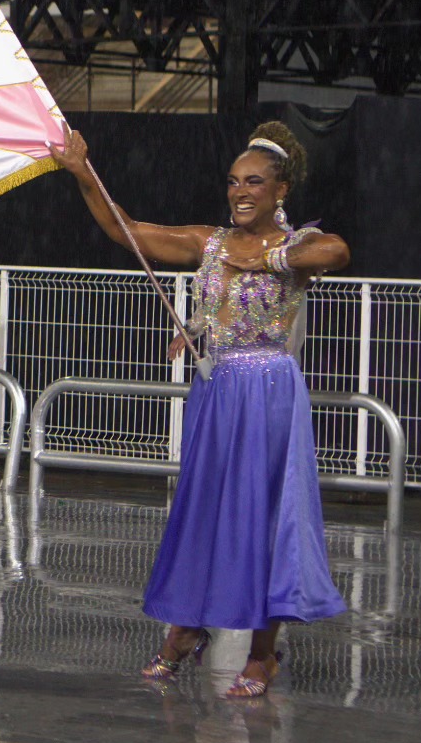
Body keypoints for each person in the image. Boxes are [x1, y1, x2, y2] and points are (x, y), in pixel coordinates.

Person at [50, 120, 350, 698]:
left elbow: (337, 250)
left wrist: (273, 261)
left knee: (265, 514)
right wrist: (83, 171)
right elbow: (125, 231)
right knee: (204, 510)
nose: (240, 192)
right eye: (234, 181)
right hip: (216, 395)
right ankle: (189, 627)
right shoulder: (207, 243)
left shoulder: (294, 247)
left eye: (255, 183)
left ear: (280, 190)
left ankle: (263, 653)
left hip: (269, 393)